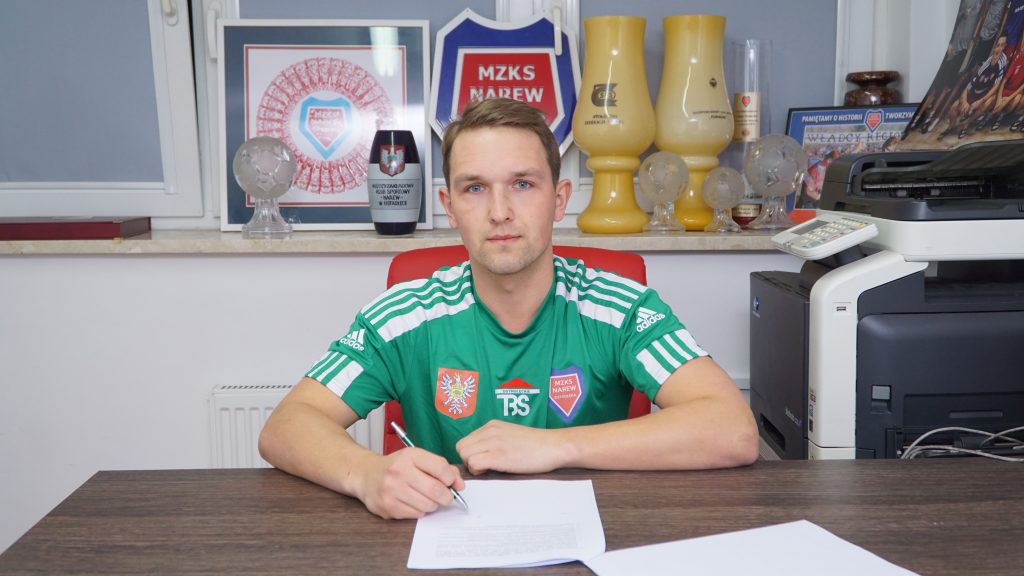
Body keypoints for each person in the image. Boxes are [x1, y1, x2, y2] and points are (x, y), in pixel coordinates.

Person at [258, 97, 759, 520]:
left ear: (559, 199)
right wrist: (366, 474)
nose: (499, 212)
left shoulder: (619, 306)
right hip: (447, 536)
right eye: (475, 188)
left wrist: (556, 446)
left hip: (588, 539)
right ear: (449, 207)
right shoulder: (404, 313)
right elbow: (287, 425)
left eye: (523, 184)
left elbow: (732, 429)